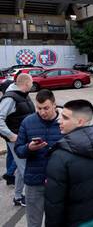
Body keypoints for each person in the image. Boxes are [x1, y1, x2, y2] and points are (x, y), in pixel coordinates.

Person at [14, 89, 62, 227]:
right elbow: (18, 150)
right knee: (34, 222)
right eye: (39, 108)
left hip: (58, 181)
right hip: (34, 181)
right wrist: (29, 148)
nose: (42, 112)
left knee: (56, 221)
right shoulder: (28, 122)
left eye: (46, 108)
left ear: (54, 105)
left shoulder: (65, 121)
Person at [0, 73, 35, 206]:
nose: (32, 85)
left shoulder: (23, 96)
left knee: (22, 169)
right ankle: (31, 197)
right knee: (26, 169)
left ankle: (18, 196)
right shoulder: (10, 98)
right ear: (26, 84)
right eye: (31, 83)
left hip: (25, 138)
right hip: (16, 140)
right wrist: (10, 135)